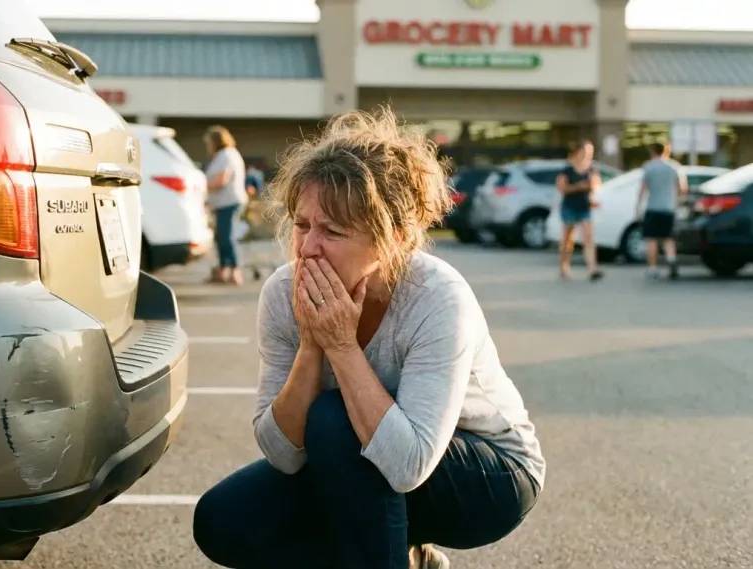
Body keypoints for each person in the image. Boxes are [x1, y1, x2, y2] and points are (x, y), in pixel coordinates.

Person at [192, 108, 545, 569]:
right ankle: (405, 555)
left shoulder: (437, 296)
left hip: (489, 476)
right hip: (362, 463)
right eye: (302, 225)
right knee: (225, 520)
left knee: (335, 422)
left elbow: (407, 465)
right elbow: (282, 454)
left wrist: (341, 346)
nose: (307, 248)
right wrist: (313, 345)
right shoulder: (283, 292)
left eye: (332, 231)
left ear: (392, 239)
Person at [203, 125, 249, 285]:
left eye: (209, 142)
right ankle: (223, 270)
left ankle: (235, 271)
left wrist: (200, 186)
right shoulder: (224, 155)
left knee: (227, 237)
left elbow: (221, 180)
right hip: (222, 203)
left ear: (216, 141)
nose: (208, 146)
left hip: (229, 202)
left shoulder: (226, 155)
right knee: (221, 237)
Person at [636, 142, 687, 280]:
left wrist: (638, 206)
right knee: (668, 238)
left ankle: (652, 268)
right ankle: (671, 260)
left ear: (653, 151)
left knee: (651, 239)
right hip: (669, 207)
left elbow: (643, 188)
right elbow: (682, 188)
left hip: (653, 207)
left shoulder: (648, 167)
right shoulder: (675, 167)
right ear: (667, 151)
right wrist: (679, 202)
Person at [555, 141, 604, 281]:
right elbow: (561, 188)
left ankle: (592, 269)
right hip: (570, 207)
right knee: (567, 239)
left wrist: (593, 187)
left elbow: (598, 186)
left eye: (591, 151)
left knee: (588, 238)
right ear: (578, 152)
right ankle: (564, 265)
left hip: (585, 207)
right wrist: (579, 186)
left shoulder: (592, 170)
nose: (588, 154)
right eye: (586, 151)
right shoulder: (567, 170)